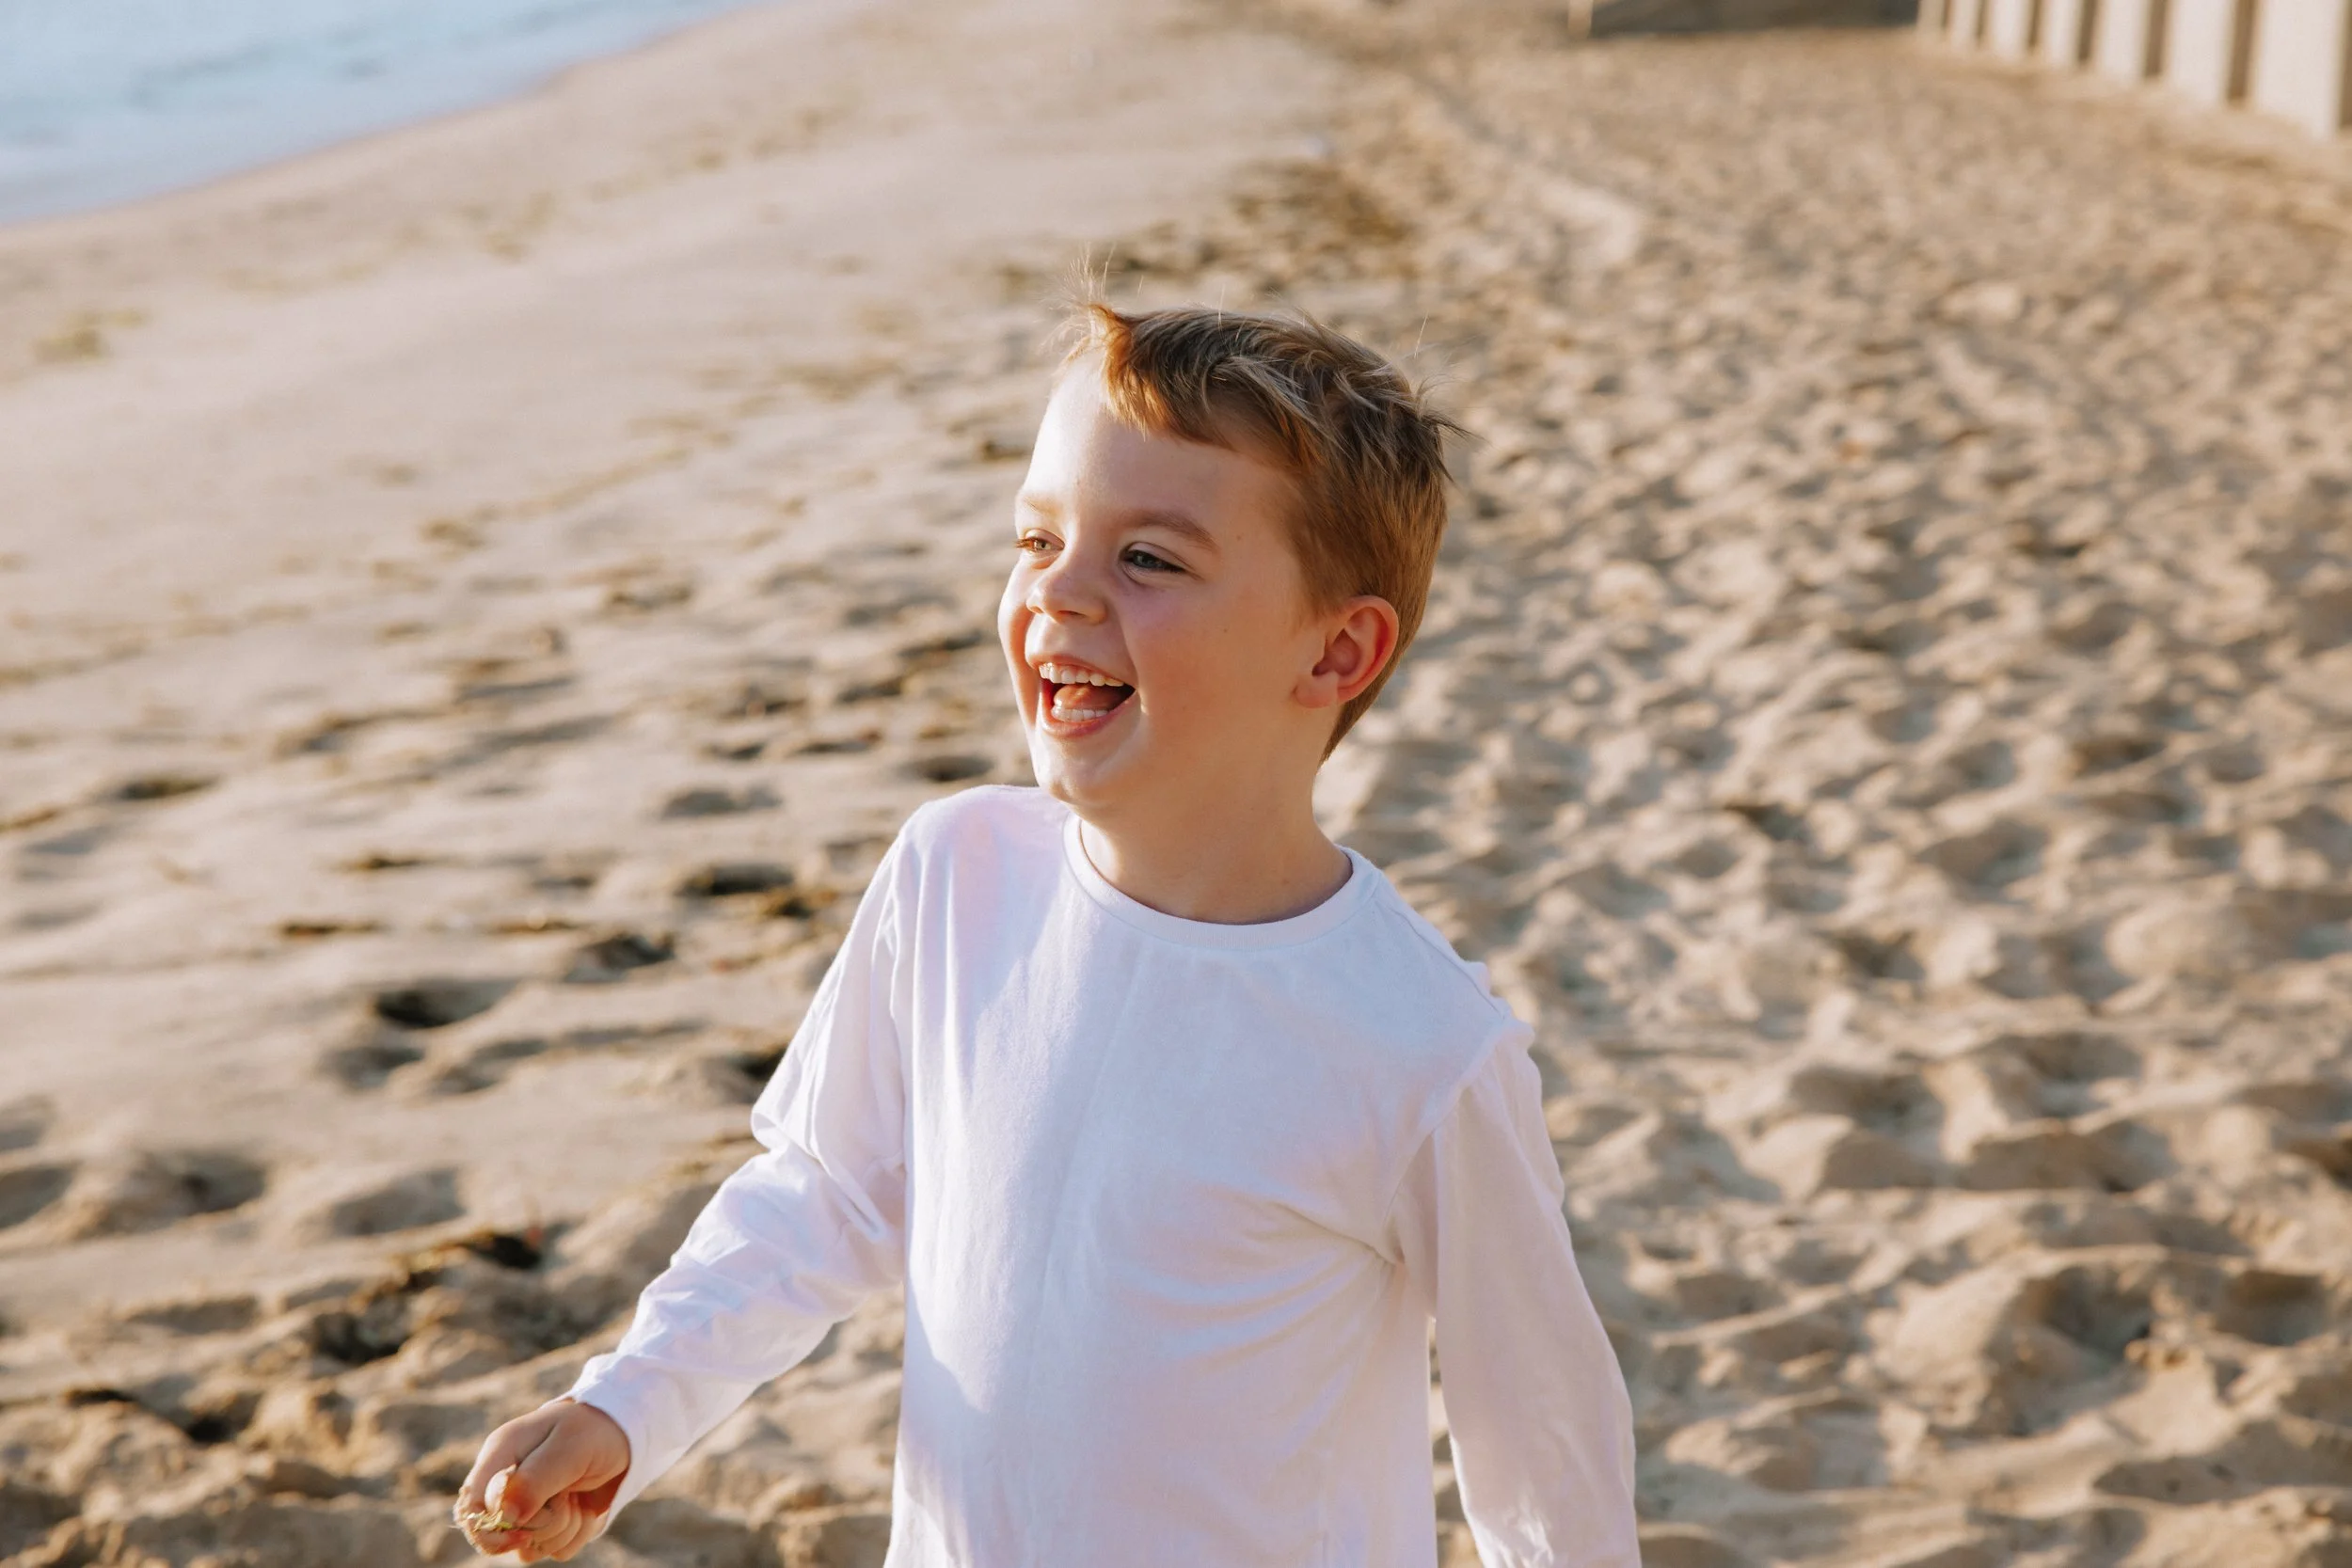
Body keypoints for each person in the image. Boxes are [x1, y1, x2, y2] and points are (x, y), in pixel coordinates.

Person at [453, 302, 1638, 1566]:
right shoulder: (956, 875)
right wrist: (627, 1401)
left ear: (1337, 649)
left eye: (1151, 560)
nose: (1058, 590)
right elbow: (827, 1194)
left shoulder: (1419, 1047)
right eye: (1037, 537)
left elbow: (1545, 1455)